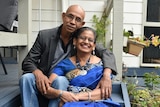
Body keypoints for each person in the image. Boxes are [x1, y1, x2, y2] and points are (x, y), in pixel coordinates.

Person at [19, 4, 117, 107]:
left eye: (78, 19)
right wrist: (39, 74)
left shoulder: (81, 39)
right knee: (26, 78)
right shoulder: (45, 36)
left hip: (63, 81)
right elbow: (28, 61)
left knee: (60, 80)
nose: (72, 22)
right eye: (70, 16)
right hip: (44, 79)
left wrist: (106, 76)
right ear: (63, 16)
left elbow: (107, 54)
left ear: (82, 24)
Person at [47, 27, 120, 107]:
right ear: (75, 41)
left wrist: (76, 96)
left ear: (94, 45)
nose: (86, 42)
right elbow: (48, 88)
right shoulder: (65, 63)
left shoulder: (103, 65)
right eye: (82, 38)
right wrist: (61, 94)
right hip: (71, 103)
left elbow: (103, 92)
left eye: (90, 40)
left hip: (97, 103)